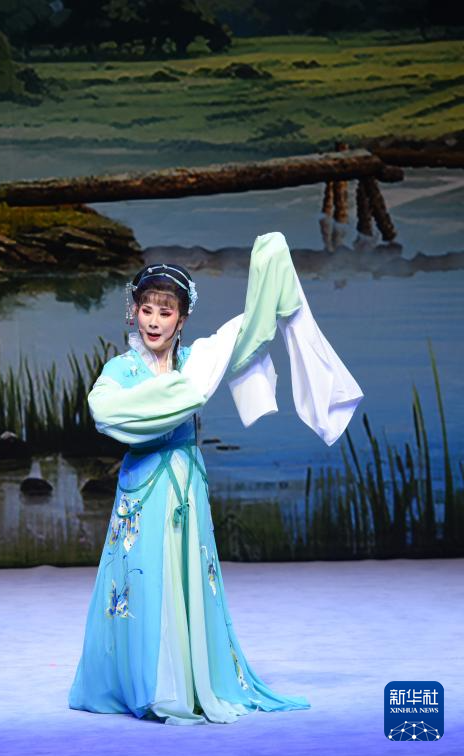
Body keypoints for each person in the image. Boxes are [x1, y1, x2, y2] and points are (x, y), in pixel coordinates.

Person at [69, 232, 363, 724]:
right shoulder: (121, 371)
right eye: (146, 309)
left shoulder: (198, 363)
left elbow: (248, 337)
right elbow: (106, 412)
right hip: (143, 488)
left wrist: (270, 270)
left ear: (182, 319)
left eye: (166, 312)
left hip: (186, 483)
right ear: (133, 313)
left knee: (189, 579)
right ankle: (147, 685)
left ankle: (188, 681)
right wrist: (179, 395)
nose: (154, 321)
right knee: (142, 582)